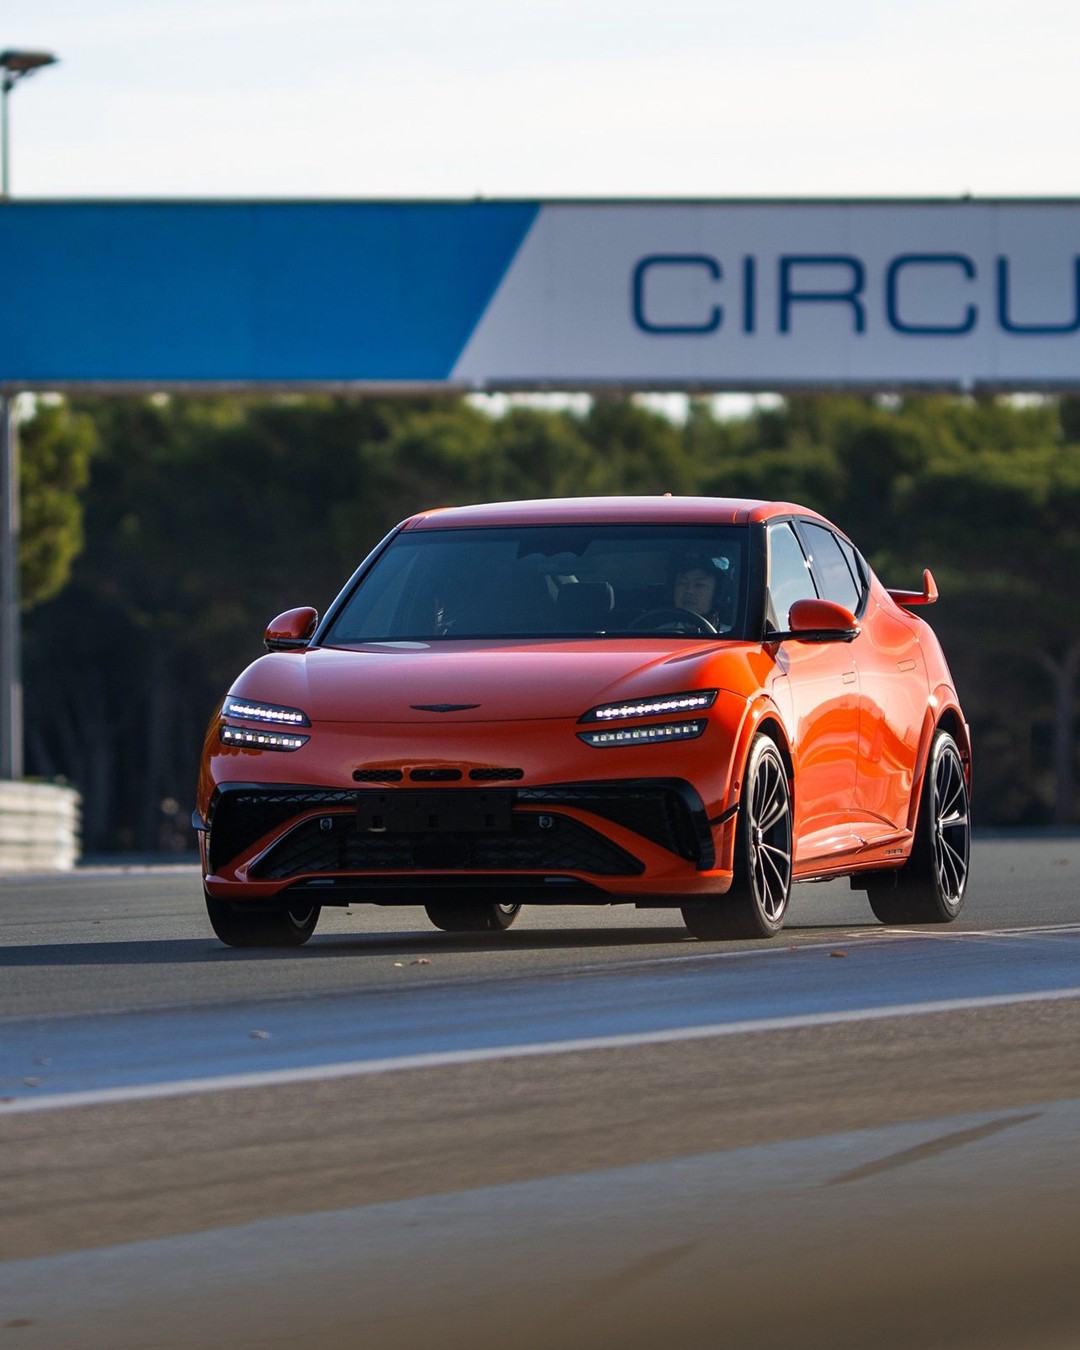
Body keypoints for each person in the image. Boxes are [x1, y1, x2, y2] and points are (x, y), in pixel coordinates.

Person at [672, 555, 729, 629]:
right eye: (682, 583)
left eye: (699, 585)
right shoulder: (659, 635)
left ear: (717, 593)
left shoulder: (736, 637)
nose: (689, 590)